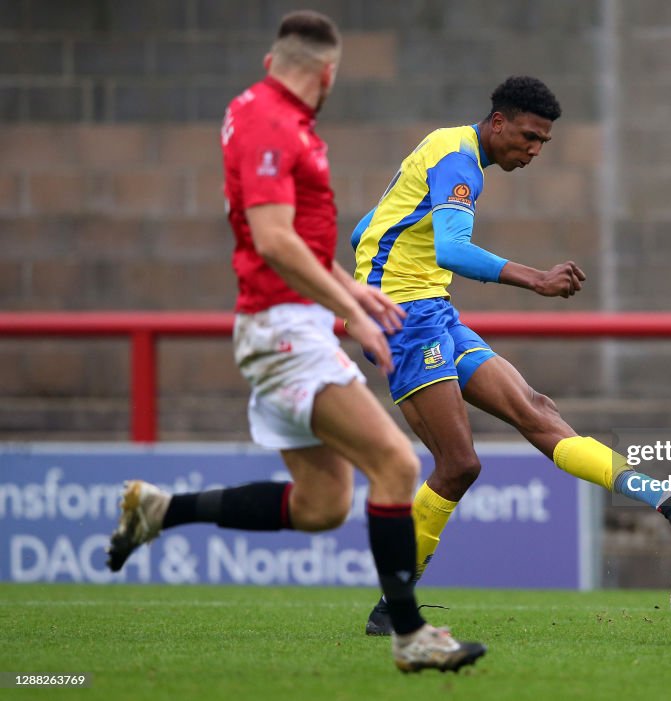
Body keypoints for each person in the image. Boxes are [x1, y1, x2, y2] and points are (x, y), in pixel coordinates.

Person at [104, 10, 485, 673]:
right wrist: (352, 310)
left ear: (271, 60)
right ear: (328, 73)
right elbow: (274, 239)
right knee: (397, 464)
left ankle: (161, 508)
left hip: (291, 326)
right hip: (284, 331)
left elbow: (296, 240)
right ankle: (409, 633)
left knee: (321, 504)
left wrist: (353, 290)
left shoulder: (272, 115)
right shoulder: (272, 124)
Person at [350, 75, 671, 635]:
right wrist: (534, 278)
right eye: (529, 137)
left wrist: (358, 286)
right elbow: (450, 248)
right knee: (460, 464)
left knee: (538, 409)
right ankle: (393, 606)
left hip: (429, 311)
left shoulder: (447, 152)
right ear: (498, 123)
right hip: (404, 323)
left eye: (544, 143)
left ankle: (669, 501)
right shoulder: (458, 160)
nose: (534, 150)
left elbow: (370, 227)